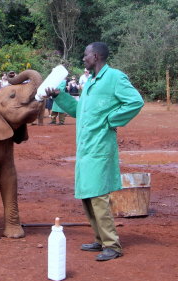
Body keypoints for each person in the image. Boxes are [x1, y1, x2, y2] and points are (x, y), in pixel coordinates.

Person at [45, 42, 144, 261]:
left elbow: (136, 102)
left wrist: (111, 119)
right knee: (87, 195)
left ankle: (112, 245)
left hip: (100, 146)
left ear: (96, 56)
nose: (83, 58)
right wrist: (58, 96)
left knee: (98, 195)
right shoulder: (90, 82)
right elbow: (79, 111)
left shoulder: (115, 78)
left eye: (86, 55)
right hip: (85, 147)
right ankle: (100, 239)